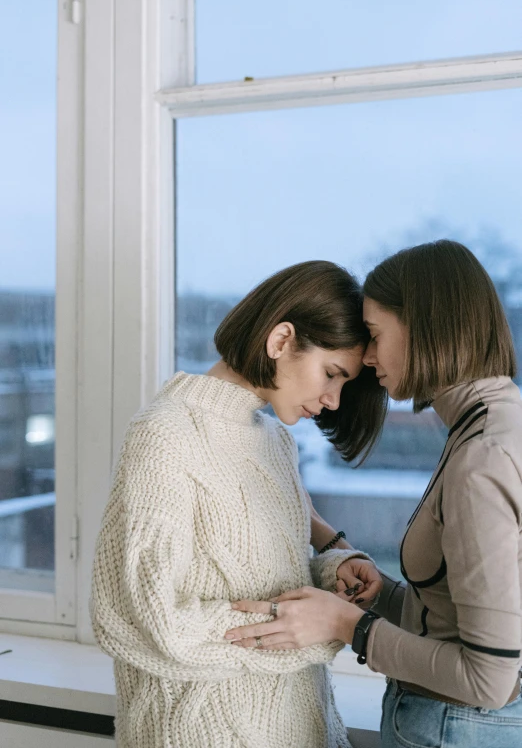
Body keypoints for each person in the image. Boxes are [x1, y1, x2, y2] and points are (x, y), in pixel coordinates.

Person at [229, 241, 522, 748]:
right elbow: (461, 615)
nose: (366, 356)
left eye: (374, 334)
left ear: (425, 328)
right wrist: (380, 594)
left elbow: (489, 679)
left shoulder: (482, 457)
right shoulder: (494, 426)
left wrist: (348, 625)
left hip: (453, 728)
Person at [90, 260, 387, 748]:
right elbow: (141, 616)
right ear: (281, 340)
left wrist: (334, 569)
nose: (333, 399)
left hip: (303, 728)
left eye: (344, 384)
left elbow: (261, 575)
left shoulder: (272, 440)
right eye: (331, 374)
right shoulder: (165, 433)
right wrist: (311, 625)